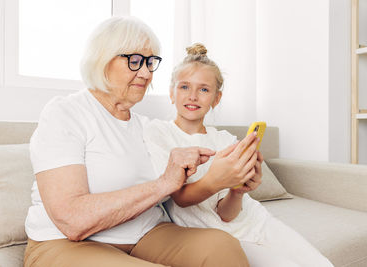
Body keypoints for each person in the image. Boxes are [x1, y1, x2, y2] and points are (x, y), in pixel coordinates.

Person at [23, 17, 250, 267]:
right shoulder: (65, 113)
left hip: (147, 234)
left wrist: (231, 177)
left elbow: (187, 193)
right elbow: (72, 221)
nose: (146, 73)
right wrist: (164, 183)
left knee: (221, 246)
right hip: (66, 243)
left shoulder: (147, 127)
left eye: (151, 62)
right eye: (135, 61)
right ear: (102, 59)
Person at [143, 43, 334, 267]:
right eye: (184, 87)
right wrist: (217, 179)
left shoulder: (225, 140)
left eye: (204, 89)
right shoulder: (158, 133)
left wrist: (238, 190)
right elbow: (179, 198)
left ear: (216, 98)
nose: (193, 96)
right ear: (171, 93)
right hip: (219, 238)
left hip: (256, 221)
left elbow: (227, 214)